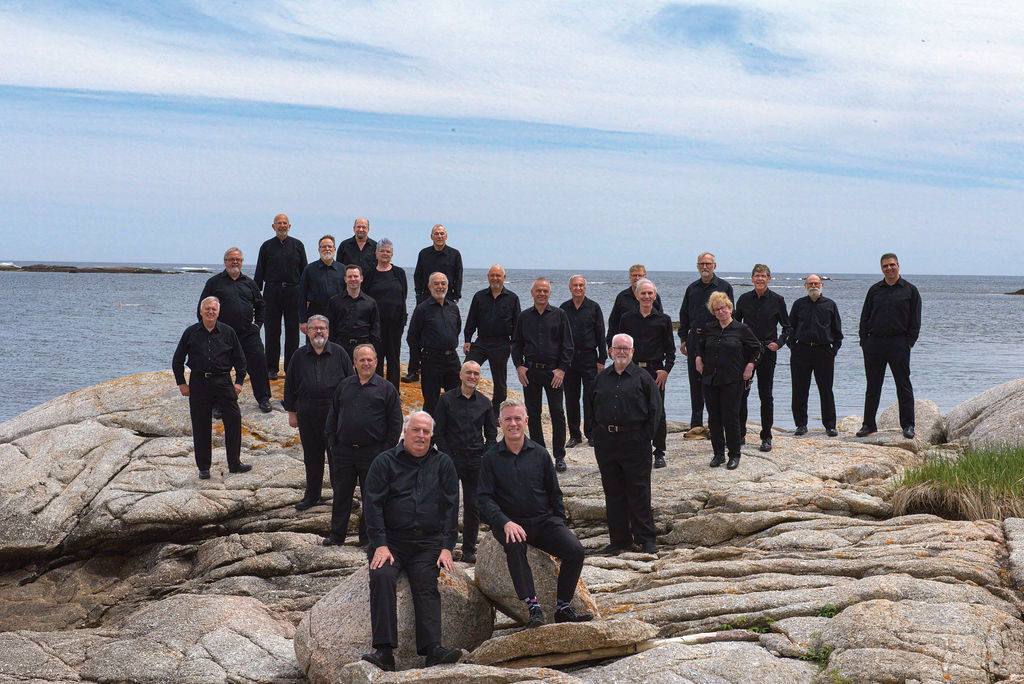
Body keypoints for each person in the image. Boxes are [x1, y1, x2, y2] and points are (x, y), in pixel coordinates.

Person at [361, 411, 462, 671]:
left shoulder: (444, 464)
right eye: (416, 430)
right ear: (405, 432)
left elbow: (452, 508)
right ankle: (384, 651)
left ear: (431, 435)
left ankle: (433, 650)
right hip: (391, 540)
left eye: (426, 432)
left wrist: (446, 547)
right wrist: (380, 544)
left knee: (426, 584)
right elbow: (372, 506)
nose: (421, 435)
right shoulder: (384, 462)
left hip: (428, 543)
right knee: (381, 577)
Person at [478, 400, 593, 627]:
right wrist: (504, 522)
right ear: (500, 423)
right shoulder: (490, 458)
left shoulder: (540, 454)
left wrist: (559, 524)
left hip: (542, 521)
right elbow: (484, 498)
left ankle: (563, 607)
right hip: (509, 523)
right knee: (515, 545)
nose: (513, 423)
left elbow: (555, 493)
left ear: (526, 421)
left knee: (575, 550)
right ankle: (533, 608)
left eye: (517, 419)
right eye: (508, 419)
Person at [323, 345, 402, 547]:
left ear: (376, 362)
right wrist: (332, 442)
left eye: (370, 360)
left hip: (374, 453)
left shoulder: (387, 389)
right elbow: (333, 414)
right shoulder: (344, 385)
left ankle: (368, 539)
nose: (366, 363)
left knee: (372, 499)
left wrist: (385, 451)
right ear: (354, 362)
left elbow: (395, 423)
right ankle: (336, 536)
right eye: (362, 360)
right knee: (341, 495)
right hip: (344, 452)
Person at [590, 333, 661, 555]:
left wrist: (646, 437)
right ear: (610, 352)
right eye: (617, 348)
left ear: (632, 352)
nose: (621, 352)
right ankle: (619, 540)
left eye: (625, 348)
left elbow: (656, 411)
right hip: (606, 443)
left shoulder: (644, 378)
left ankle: (646, 539)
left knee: (639, 491)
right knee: (613, 492)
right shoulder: (601, 378)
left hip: (635, 442)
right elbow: (589, 407)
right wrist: (595, 435)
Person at [172, 296, 250, 479]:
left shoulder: (228, 332)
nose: (210, 312)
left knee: (234, 420)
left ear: (218, 312)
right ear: (200, 311)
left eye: (214, 309)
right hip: (199, 382)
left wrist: (239, 382)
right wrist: (181, 383)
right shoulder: (190, 333)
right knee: (200, 424)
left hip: (223, 382)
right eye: (207, 309)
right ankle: (204, 467)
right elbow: (177, 360)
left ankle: (235, 463)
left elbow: (240, 360)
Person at [282, 315, 352, 510]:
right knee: (312, 457)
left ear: (328, 331)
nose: (319, 331)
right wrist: (291, 412)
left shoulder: (340, 353)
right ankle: (312, 496)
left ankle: (342, 496)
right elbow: (290, 385)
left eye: (322, 328)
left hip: (334, 413)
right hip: (307, 411)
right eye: (314, 328)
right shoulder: (298, 356)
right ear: (308, 331)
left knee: (337, 458)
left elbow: (351, 383)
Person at [434, 361, 497, 564]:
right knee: (448, 505)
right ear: (461, 375)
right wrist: (446, 457)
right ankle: (446, 548)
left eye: (476, 374)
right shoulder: (446, 400)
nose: (472, 376)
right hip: (451, 459)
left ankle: (469, 550)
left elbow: (491, 436)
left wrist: (484, 457)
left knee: (473, 506)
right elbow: (438, 432)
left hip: (475, 460)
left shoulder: (485, 403)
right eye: (468, 373)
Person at [198, 247, 273, 413]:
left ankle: (263, 399)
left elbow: (261, 306)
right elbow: (201, 308)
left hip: (248, 333)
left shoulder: (249, 283)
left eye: (238, 259)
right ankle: (218, 404)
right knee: (219, 369)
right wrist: (208, 331)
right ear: (225, 262)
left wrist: (257, 325)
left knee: (259, 362)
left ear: (242, 262)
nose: (235, 262)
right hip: (222, 335)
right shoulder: (214, 283)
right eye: (231, 259)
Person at [857, 253, 922, 439]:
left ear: (898, 266)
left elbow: (915, 320)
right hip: (874, 343)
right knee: (873, 386)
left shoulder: (910, 290)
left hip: (899, 343)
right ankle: (868, 424)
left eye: (892, 265)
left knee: (903, 386)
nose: (889, 268)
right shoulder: (875, 290)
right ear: (881, 268)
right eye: (885, 266)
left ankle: (908, 425)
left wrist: (909, 343)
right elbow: (864, 317)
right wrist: (864, 342)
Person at [511, 278, 574, 472]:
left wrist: (562, 369)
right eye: (538, 290)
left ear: (549, 293)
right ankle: (539, 455)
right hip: (530, 372)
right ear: (532, 293)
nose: (541, 294)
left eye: (545, 291)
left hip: (553, 372)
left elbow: (568, 345)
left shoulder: (560, 315)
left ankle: (559, 456)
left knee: (557, 413)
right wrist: (519, 367)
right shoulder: (524, 316)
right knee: (533, 413)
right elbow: (516, 344)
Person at [695, 292, 762, 470]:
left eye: (723, 308)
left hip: (732, 379)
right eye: (717, 310)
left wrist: (750, 365)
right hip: (710, 378)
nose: (721, 312)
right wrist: (698, 358)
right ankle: (718, 454)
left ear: (730, 308)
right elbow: (699, 346)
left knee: (731, 418)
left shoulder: (742, 329)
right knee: (714, 418)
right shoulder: (709, 328)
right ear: (713, 312)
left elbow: (758, 349)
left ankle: (734, 454)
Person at [617, 279, 674, 468]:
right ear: (637, 296)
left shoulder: (664, 319)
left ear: (655, 296)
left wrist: (666, 370)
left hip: (655, 371)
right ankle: (636, 449)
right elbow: (621, 347)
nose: (647, 297)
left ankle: (659, 452)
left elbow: (671, 350)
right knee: (631, 410)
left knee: (658, 412)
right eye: (643, 293)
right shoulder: (626, 318)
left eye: (650, 293)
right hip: (631, 370)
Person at [734, 264, 791, 452]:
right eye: (757, 276)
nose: (760, 279)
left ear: (769, 278)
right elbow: (735, 323)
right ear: (752, 278)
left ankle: (766, 436)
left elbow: (787, 328)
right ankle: (740, 433)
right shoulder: (743, 299)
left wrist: (779, 343)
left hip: (767, 351)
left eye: (763, 276)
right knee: (742, 394)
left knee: (765, 395)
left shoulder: (778, 300)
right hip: (746, 351)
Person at [678, 252, 734, 437]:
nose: (705, 267)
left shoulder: (724, 287)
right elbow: (684, 314)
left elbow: (730, 314)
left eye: (708, 264)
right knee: (695, 381)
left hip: (714, 340)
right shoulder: (692, 288)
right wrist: (683, 338)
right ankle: (695, 424)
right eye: (702, 264)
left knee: (713, 382)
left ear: (714, 266)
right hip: (694, 339)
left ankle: (714, 425)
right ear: (697, 266)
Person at [787, 274, 843, 437]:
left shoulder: (830, 305)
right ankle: (801, 425)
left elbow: (837, 331)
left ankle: (830, 426)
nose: (813, 286)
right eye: (810, 283)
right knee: (799, 389)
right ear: (805, 286)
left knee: (826, 390)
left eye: (816, 283)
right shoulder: (798, 305)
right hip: (801, 351)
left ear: (822, 285)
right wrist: (793, 347)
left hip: (824, 351)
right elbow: (790, 328)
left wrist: (834, 350)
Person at [405, 225, 462, 382]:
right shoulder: (424, 254)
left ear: (446, 236)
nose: (439, 236)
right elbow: (418, 275)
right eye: (436, 234)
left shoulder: (454, 254)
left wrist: (455, 298)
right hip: (425, 301)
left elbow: (459, 275)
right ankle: (414, 370)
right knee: (415, 335)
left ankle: (447, 369)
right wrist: (418, 297)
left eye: (442, 233)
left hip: (447, 301)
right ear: (431, 236)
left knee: (446, 333)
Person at [253, 213, 307, 380]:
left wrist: (306, 295)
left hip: (293, 292)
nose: (282, 226)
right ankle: (271, 368)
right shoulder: (266, 247)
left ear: (289, 226)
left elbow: (305, 272)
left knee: (293, 332)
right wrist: (255, 297)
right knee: (272, 331)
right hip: (272, 292)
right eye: (279, 223)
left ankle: (291, 367)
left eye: (285, 223)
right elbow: (259, 272)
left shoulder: (298, 245)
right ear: (273, 226)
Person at [464, 264, 520, 412]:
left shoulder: (513, 298)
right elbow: (471, 320)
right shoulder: (479, 296)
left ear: (504, 278)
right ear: (488, 277)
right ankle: (466, 405)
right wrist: (467, 340)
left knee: (500, 382)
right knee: (466, 370)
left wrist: (514, 344)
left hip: (502, 343)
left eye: (498, 275)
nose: (495, 278)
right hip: (481, 342)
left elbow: (517, 324)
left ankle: (496, 414)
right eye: (492, 275)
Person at [559, 275, 606, 450]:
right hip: (569, 359)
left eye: (581, 285)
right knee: (571, 397)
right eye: (575, 285)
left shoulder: (594, 308)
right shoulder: (564, 309)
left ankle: (591, 433)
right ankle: (574, 435)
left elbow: (600, 334)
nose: (578, 288)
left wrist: (602, 359)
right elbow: (559, 336)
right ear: (570, 288)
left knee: (590, 397)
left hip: (589, 358)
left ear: (585, 287)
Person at [407, 272, 462, 416]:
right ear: (429, 286)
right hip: (431, 360)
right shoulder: (422, 309)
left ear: (448, 286)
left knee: (457, 399)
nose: (440, 287)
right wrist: (417, 362)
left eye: (443, 283)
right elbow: (412, 337)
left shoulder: (453, 308)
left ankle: (453, 435)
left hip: (452, 359)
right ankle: (430, 437)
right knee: (431, 402)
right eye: (436, 283)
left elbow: (457, 329)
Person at [364, 238, 407, 390]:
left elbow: (403, 297)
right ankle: (376, 389)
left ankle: (393, 391)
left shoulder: (399, 273)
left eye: (388, 251)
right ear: (376, 253)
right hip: (375, 324)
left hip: (395, 323)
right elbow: (365, 298)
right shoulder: (370, 274)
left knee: (393, 358)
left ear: (392, 254)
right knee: (377, 357)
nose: (384, 253)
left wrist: (402, 319)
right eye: (382, 251)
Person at [326, 264, 381, 358]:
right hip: (340, 345)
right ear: (345, 279)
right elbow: (330, 326)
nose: (353, 279)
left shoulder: (370, 302)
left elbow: (375, 328)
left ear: (361, 278)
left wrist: (370, 347)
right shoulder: (334, 301)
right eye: (349, 276)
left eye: (356, 276)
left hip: (363, 346)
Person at [298, 235, 345, 336]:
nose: (327, 249)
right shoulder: (309, 269)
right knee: (314, 345)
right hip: (315, 313)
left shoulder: (343, 269)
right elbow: (302, 296)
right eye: (324, 246)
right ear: (319, 249)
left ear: (334, 249)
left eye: (329, 246)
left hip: (338, 314)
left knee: (336, 347)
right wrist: (303, 321)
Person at [606, 264, 664, 345]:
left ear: (645, 277)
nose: (637, 278)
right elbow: (613, 321)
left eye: (640, 275)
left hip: (650, 344)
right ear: (630, 277)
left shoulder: (653, 297)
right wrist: (610, 344)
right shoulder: (622, 297)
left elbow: (661, 321)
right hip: (626, 345)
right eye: (634, 275)